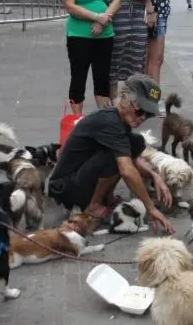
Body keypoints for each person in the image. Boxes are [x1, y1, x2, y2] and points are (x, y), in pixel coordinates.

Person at [48, 74, 175, 233]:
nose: (142, 118)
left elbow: (133, 158)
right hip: (66, 187)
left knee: (135, 142)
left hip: (79, 177)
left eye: (148, 114)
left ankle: (105, 199)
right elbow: (127, 170)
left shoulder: (119, 120)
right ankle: (93, 207)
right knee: (117, 159)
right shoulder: (110, 122)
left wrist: (154, 175)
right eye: (140, 111)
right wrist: (150, 207)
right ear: (123, 97)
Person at [59, 0, 121, 114]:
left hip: (105, 35)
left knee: (102, 81)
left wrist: (104, 19)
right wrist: (96, 17)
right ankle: (77, 122)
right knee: (78, 79)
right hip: (79, 36)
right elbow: (70, 6)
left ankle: (103, 122)